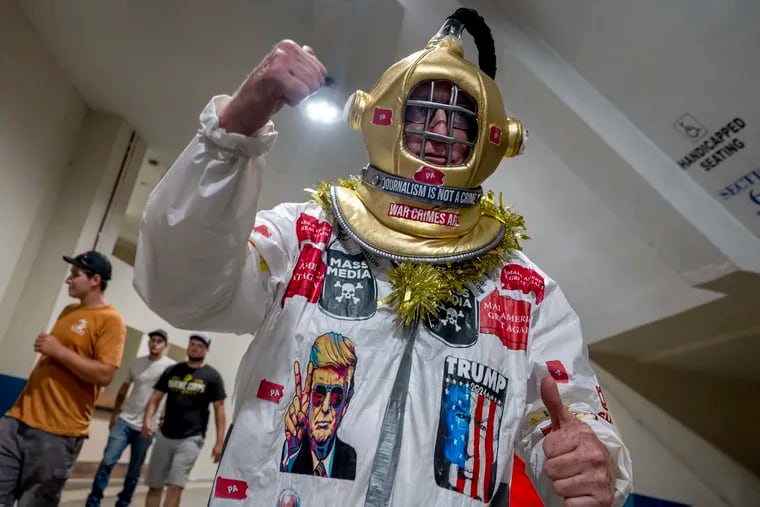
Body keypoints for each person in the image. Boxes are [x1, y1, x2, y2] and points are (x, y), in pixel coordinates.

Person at [134, 8, 632, 507]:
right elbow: (182, 289)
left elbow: (574, 413)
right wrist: (233, 130)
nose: (439, 128)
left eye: (459, 118)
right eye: (423, 111)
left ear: (492, 137)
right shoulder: (304, 236)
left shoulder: (524, 291)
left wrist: (590, 459)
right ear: (379, 114)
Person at [0, 250, 126, 507]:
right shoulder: (69, 311)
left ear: (95, 280)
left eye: (76, 274)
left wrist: (58, 351)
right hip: (17, 420)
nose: (69, 280)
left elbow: (105, 374)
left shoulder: (111, 320)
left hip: (56, 434)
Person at [86, 329, 176, 507]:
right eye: (152, 340)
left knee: (134, 471)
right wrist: (115, 414)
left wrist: (163, 420)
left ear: (165, 345)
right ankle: (93, 502)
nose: (154, 344)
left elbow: (172, 397)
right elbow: (123, 389)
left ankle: (123, 503)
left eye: (159, 341)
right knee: (107, 461)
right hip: (125, 421)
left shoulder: (171, 367)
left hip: (147, 427)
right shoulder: (137, 363)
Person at [142, 333, 226, 507]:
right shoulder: (172, 371)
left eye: (200, 345)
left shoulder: (212, 376)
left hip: (191, 438)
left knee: (175, 486)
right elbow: (156, 396)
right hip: (165, 435)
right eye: (192, 344)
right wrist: (148, 419)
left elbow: (219, 408)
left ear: (206, 350)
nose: (195, 347)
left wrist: (220, 442)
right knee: (154, 485)